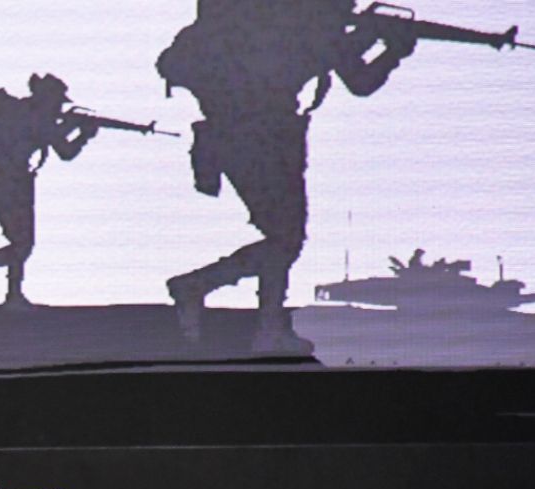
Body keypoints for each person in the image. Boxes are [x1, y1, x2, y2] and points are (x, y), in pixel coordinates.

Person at [157, 0, 415, 353]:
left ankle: (261, 322)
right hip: (270, 141)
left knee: (282, 237)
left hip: (225, 141)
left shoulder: (254, 31)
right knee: (285, 239)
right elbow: (359, 81)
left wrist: (369, 39)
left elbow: (319, 58)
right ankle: (221, 299)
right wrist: (394, 52)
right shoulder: (308, 31)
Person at [0, 73, 98, 308]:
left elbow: (46, 138)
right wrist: (84, 135)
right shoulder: (36, 118)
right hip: (10, 184)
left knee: (21, 241)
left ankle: (3, 288)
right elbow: (65, 152)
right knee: (22, 243)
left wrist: (70, 127)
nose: (59, 106)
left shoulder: (20, 113)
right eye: (57, 101)